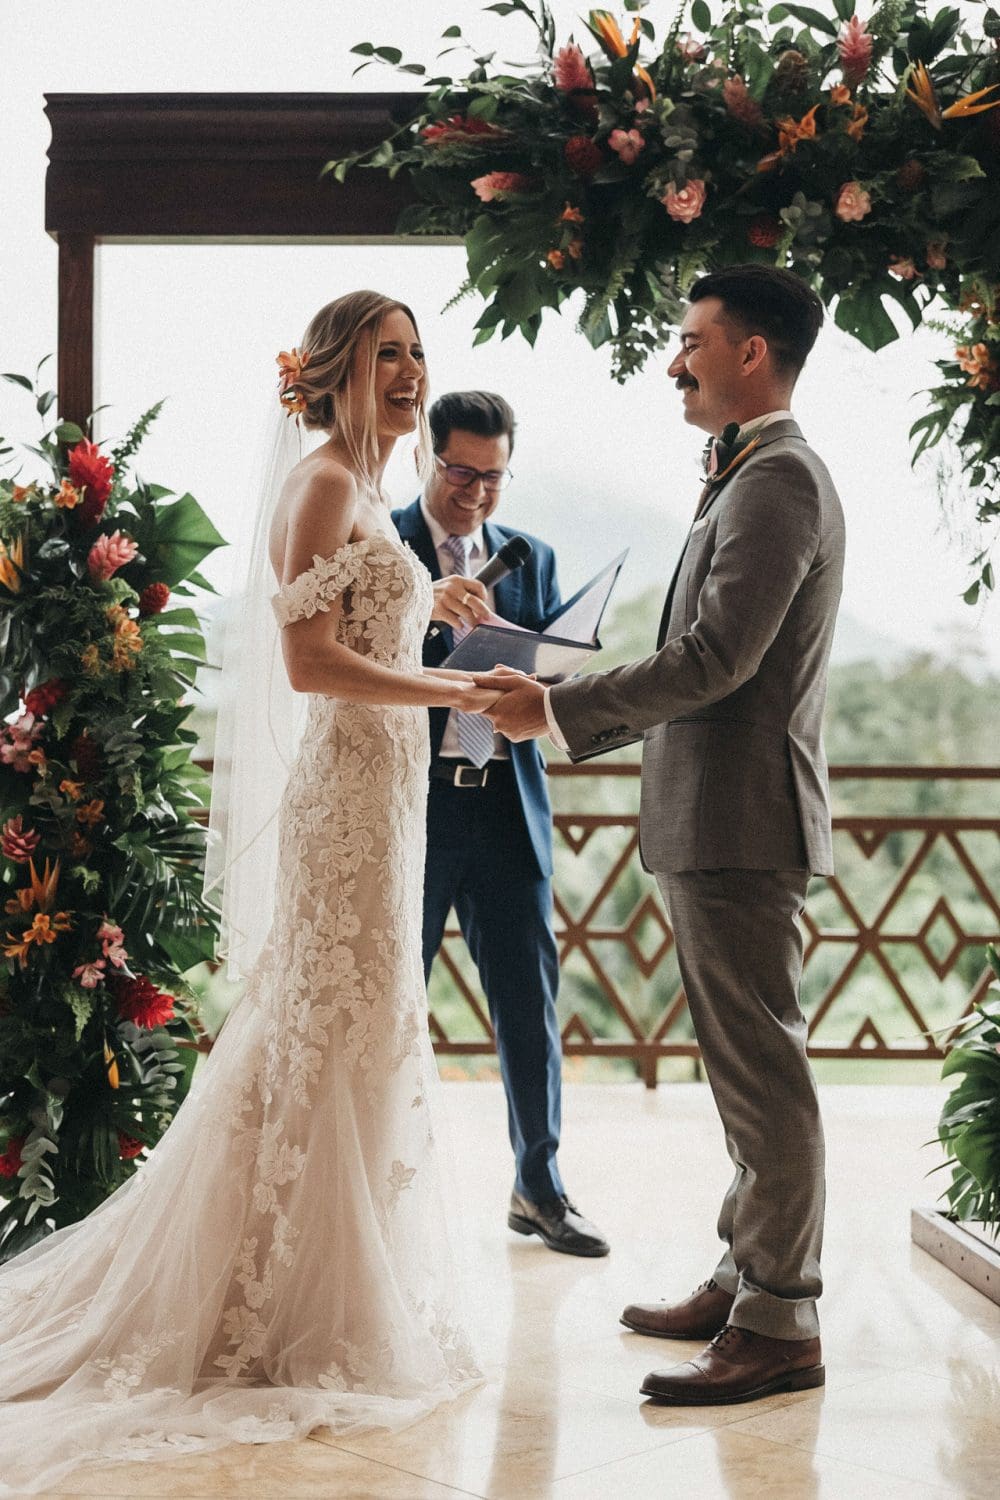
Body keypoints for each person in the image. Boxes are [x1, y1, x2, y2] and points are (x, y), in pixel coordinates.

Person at [0, 291, 498, 1494]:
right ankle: (278, 1302)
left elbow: (360, 626)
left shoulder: (363, 488)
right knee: (324, 1021)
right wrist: (457, 690)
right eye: (384, 355)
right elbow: (310, 663)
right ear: (331, 373)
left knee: (354, 1026)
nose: (408, 373)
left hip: (386, 794)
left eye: (416, 353)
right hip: (349, 796)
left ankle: (323, 1280)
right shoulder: (324, 481)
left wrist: (428, 609)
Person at [486, 265, 845, 1404]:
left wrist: (554, 707)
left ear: (751, 352)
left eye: (691, 340)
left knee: (764, 1074)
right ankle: (746, 1278)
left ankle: (780, 1323)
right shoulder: (750, 472)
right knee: (745, 1071)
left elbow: (716, 658)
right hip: (718, 818)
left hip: (743, 820)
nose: (674, 361)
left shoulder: (778, 479)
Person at [392, 392, 609, 1257]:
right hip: (413, 807)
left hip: (506, 804)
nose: (477, 493)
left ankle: (540, 1187)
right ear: (427, 457)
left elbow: (544, 680)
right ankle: (384, 1188)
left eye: (494, 476)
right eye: (461, 472)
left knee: (528, 1003)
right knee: (393, 1000)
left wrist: (554, 672)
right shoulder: (386, 546)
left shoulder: (534, 557)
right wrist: (430, 620)